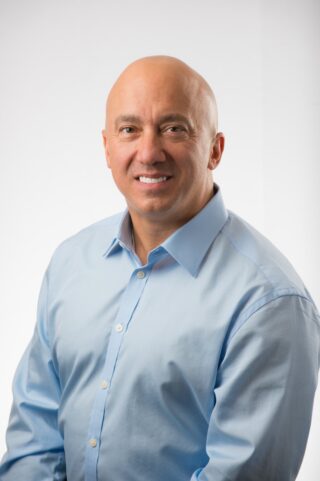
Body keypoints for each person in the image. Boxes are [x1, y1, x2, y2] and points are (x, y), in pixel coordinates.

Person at [0, 55, 319, 481]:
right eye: (129, 130)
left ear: (215, 150)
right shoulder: (71, 263)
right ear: (107, 146)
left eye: (174, 129)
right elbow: (33, 439)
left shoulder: (268, 302)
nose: (148, 153)